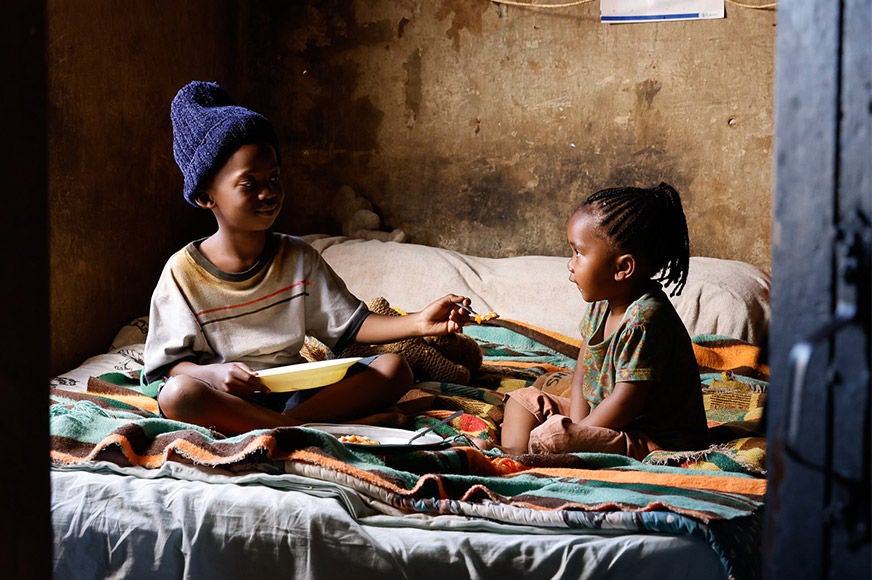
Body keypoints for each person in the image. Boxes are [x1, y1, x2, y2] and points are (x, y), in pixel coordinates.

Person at [142, 81, 471, 435]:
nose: (268, 193)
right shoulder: (183, 273)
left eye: (274, 178)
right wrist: (212, 374)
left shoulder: (297, 257)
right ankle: (310, 427)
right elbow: (169, 368)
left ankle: (287, 426)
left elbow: (353, 325)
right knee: (177, 395)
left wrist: (420, 321)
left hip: (296, 395)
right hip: (225, 396)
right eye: (250, 184)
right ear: (207, 197)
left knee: (394, 369)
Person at [498, 183, 709, 457]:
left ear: (622, 267)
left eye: (579, 253)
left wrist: (575, 435)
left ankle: (533, 456)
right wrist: (574, 427)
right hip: (604, 420)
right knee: (522, 401)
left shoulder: (645, 320)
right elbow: (581, 377)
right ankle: (510, 456)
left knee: (553, 439)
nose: (570, 264)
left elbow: (625, 404)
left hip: (650, 437)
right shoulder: (600, 306)